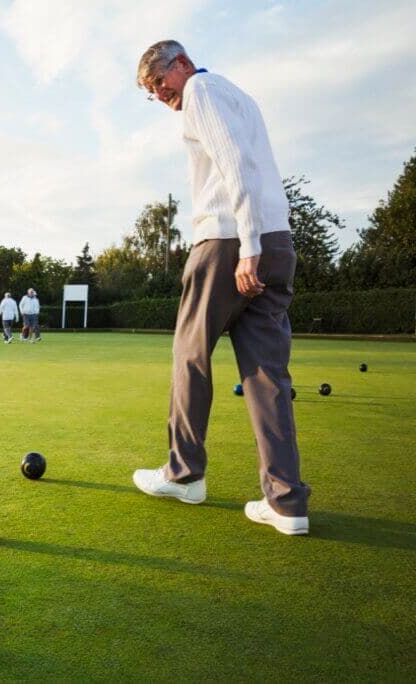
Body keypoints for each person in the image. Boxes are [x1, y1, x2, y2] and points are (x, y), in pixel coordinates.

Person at [131, 40, 309, 535]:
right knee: (267, 374)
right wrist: (259, 244)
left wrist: (246, 245)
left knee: (191, 354)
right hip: (276, 242)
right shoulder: (239, 97)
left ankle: (184, 475)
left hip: (230, 241)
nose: (160, 94)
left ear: (182, 64)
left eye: (159, 83)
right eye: (150, 91)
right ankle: (287, 502)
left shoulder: (203, 90)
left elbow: (236, 165)